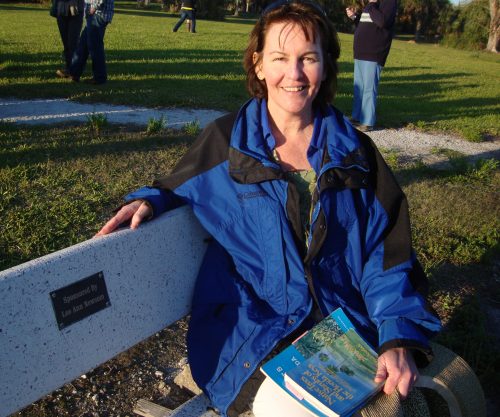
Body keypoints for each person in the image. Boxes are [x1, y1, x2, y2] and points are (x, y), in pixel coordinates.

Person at [96, 1, 441, 416]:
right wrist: (148, 200)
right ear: (258, 65)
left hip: (343, 334)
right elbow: (176, 185)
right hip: (254, 338)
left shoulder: (356, 152)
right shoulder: (227, 142)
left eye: (308, 58)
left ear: (326, 65)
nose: (294, 75)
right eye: (280, 58)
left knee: (407, 406)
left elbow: (387, 257)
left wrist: (397, 336)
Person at [346, 0, 397, 132]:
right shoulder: (371, 6)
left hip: (373, 53)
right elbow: (367, 24)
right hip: (360, 52)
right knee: (359, 87)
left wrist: (371, 4)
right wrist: (355, 18)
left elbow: (382, 22)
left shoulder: (388, 2)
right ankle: (357, 117)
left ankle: (367, 121)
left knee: (369, 88)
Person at [67, 0, 114, 85]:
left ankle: (100, 78)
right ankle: (74, 73)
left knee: (95, 47)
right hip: (95, 14)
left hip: (98, 14)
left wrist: (94, 7)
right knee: (83, 45)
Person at [51, 0, 85, 79]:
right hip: (61, 10)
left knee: (73, 43)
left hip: (76, 11)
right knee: (66, 43)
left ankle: (73, 71)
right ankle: (68, 68)